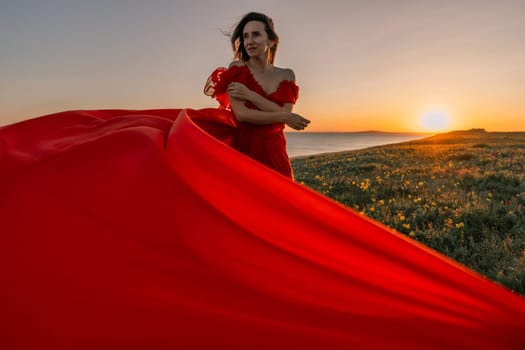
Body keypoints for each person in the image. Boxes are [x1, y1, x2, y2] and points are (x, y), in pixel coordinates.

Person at [205, 12, 310, 179]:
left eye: (256, 34)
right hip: (244, 149)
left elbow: (283, 112)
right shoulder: (237, 69)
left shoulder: (287, 75)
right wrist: (284, 115)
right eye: (246, 36)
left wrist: (250, 95)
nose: (249, 41)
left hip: (276, 151)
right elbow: (243, 115)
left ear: (271, 41)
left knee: (281, 200)